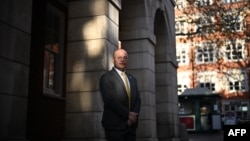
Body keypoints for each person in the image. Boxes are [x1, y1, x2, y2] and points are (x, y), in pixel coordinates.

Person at [99, 47, 141, 141]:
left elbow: (137, 100)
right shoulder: (106, 78)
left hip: (131, 127)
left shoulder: (132, 78)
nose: (122, 60)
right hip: (114, 126)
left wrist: (132, 118)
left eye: (125, 58)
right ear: (113, 60)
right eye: (119, 57)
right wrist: (128, 115)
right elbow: (109, 100)